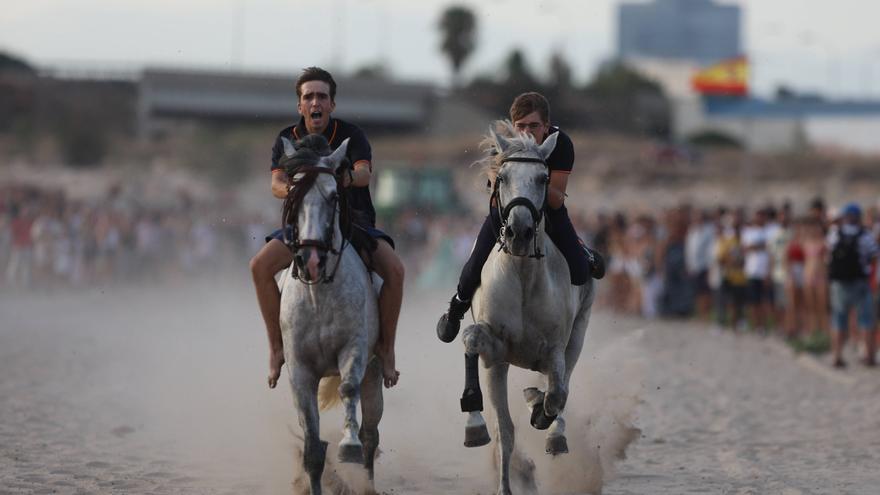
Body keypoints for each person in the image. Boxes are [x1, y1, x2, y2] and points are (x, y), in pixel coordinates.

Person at [250, 67, 404, 389]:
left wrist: (337, 179)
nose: (315, 102)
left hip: (352, 220)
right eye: (308, 97)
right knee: (259, 266)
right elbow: (276, 183)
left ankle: (386, 349)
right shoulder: (286, 139)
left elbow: (363, 174)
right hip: (304, 223)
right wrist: (296, 189)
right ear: (300, 106)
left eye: (322, 96)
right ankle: (278, 348)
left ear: (332, 104)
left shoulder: (352, 135)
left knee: (396, 270)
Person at [436, 92, 605, 342]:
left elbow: (557, 196)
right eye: (521, 126)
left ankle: (584, 253)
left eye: (534, 126)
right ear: (514, 126)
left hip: (549, 209)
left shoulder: (561, 144)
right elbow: (495, 191)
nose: (527, 132)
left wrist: (531, 182)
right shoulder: (502, 144)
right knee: (473, 266)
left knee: (580, 272)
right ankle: (457, 306)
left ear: (546, 126)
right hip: (508, 212)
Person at [827, 203, 878, 367]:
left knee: (838, 320)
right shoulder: (865, 235)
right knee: (866, 319)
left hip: (839, 283)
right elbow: (874, 256)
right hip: (860, 282)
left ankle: (836, 356)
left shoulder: (834, 234)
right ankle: (869, 356)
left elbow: (828, 256)